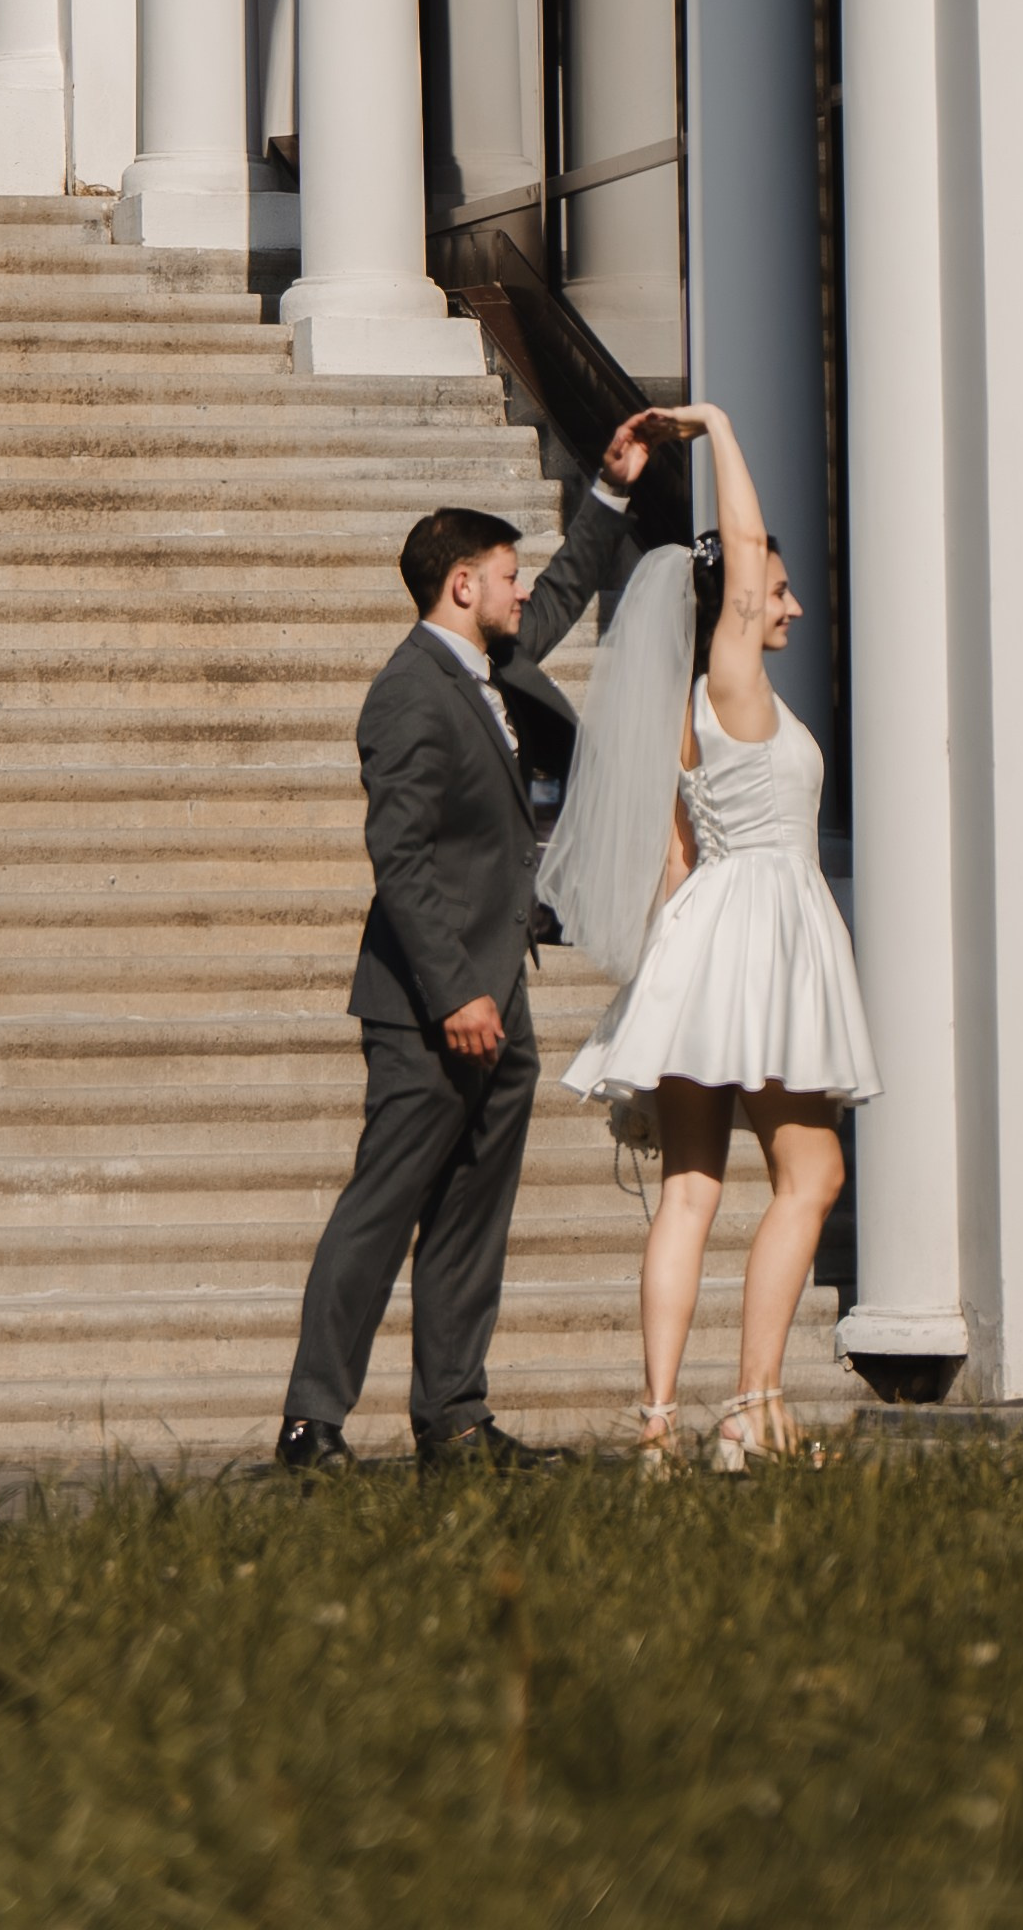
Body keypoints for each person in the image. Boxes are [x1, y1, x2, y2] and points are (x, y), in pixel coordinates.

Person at [275, 420, 655, 1471]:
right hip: (430, 1004)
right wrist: (452, 994)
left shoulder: (489, 665)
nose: (521, 590)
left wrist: (611, 496)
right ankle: (312, 1423)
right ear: (457, 586)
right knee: (381, 1208)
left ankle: (453, 1415)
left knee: (470, 1219)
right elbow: (396, 859)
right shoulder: (408, 694)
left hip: (502, 990)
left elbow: (569, 592)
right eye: (504, 575)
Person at [541, 401, 878, 1471]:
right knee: (810, 1176)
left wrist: (657, 995)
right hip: (761, 934)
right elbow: (737, 551)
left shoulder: (689, 709)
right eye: (772, 586)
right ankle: (752, 1405)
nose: (782, 599)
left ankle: (655, 1426)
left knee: (689, 1190)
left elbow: (676, 860)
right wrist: (722, 424)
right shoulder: (733, 687)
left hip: (703, 937)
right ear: (730, 600)